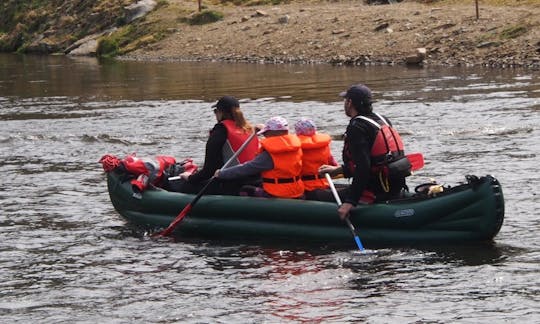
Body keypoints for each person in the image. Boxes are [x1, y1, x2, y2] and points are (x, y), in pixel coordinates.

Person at [319, 84, 410, 219]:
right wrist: (337, 170)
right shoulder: (382, 120)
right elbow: (375, 160)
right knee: (333, 187)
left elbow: (363, 167)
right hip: (393, 187)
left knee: (315, 194)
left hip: (374, 191)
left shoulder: (357, 127)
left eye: (345, 100)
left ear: (350, 103)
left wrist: (350, 202)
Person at [168, 95, 259, 195]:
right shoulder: (250, 130)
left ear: (220, 112)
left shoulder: (220, 131)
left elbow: (209, 170)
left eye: (215, 111)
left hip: (233, 185)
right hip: (255, 181)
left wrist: (189, 177)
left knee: (187, 186)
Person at [215, 116, 304, 199]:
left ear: (271, 133)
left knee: (245, 189)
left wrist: (222, 174)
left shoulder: (269, 155)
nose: (265, 136)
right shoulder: (296, 148)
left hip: (276, 194)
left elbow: (247, 168)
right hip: (296, 191)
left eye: (266, 133)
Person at [294, 118, 338, 200]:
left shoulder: (296, 147)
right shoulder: (324, 145)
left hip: (305, 187)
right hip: (324, 183)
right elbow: (334, 165)